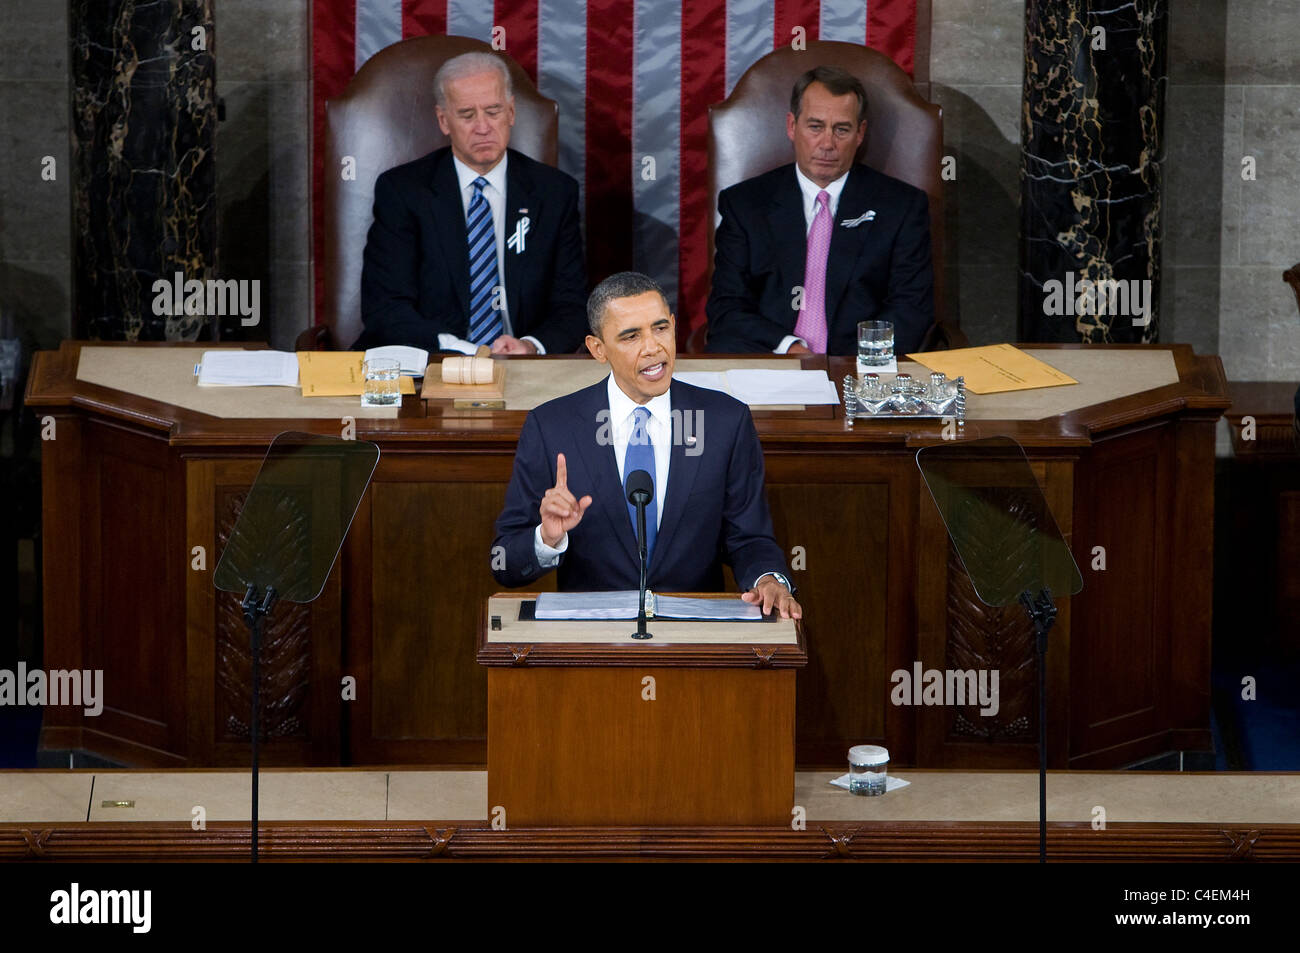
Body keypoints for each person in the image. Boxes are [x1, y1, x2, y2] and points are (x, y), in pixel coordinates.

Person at [491, 271, 801, 618]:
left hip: (694, 639)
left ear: (673, 325)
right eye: (630, 336)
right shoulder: (552, 426)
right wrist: (546, 538)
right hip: (592, 645)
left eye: (660, 328)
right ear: (598, 349)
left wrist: (769, 579)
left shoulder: (725, 421)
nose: (653, 347)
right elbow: (504, 564)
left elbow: (750, 538)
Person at [356, 51, 587, 355]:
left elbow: (572, 306)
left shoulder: (554, 193)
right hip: (432, 361)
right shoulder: (403, 192)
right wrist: (462, 349)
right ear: (444, 120)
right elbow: (385, 306)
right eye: (467, 115)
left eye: (493, 111)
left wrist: (531, 346)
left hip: (522, 368)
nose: (482, 127)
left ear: (512, 113)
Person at [706, 65, 933, 356]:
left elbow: (910, 308)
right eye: (815, 126)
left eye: (842, 129)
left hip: (859, 369)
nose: (827, 144)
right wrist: (790, 349)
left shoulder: (901, 207)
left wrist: (846, 366)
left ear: (860, 133)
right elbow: (727, 307)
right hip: (769, 359)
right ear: (792, 126)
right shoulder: (745, 204)